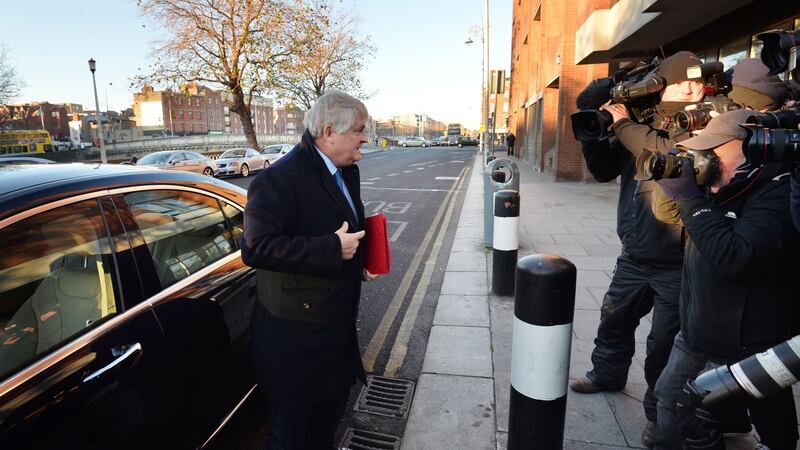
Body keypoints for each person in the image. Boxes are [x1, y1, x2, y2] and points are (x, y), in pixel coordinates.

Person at [571, 51, 707, 448]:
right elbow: (602, 171)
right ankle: (606, 374)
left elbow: (669, 153)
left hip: (678, 261)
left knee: (663, 344)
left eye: (697, 82)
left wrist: (625, 124)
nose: (694, 88)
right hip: (634, 254)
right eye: (684, 82)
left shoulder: (702, 121)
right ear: (663, 86)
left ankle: (657, 411)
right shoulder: (641, 124)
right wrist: (596, 134)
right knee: (613, 321)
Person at [652, 109, 800, 449]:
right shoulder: (721, 183)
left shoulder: (777, 191)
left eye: (715, 148)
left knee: (771, 420)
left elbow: (734, 257)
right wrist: (683, 183)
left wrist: (691, 199)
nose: (708, 156)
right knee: (671, 400)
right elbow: (667, 213)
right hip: (699, 326)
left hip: (752, 338)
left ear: (749, 145)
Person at [241, 89, 380, 450]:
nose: (365, 137)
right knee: (291, 435)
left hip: (335, 336)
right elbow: (256, 248)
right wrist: (332, 249)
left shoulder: (347, 172)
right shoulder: (278, 179)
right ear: (330, 132)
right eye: (359, 130)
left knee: (326, 427)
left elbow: (343, 225)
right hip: (296, 343)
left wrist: (363, 257)